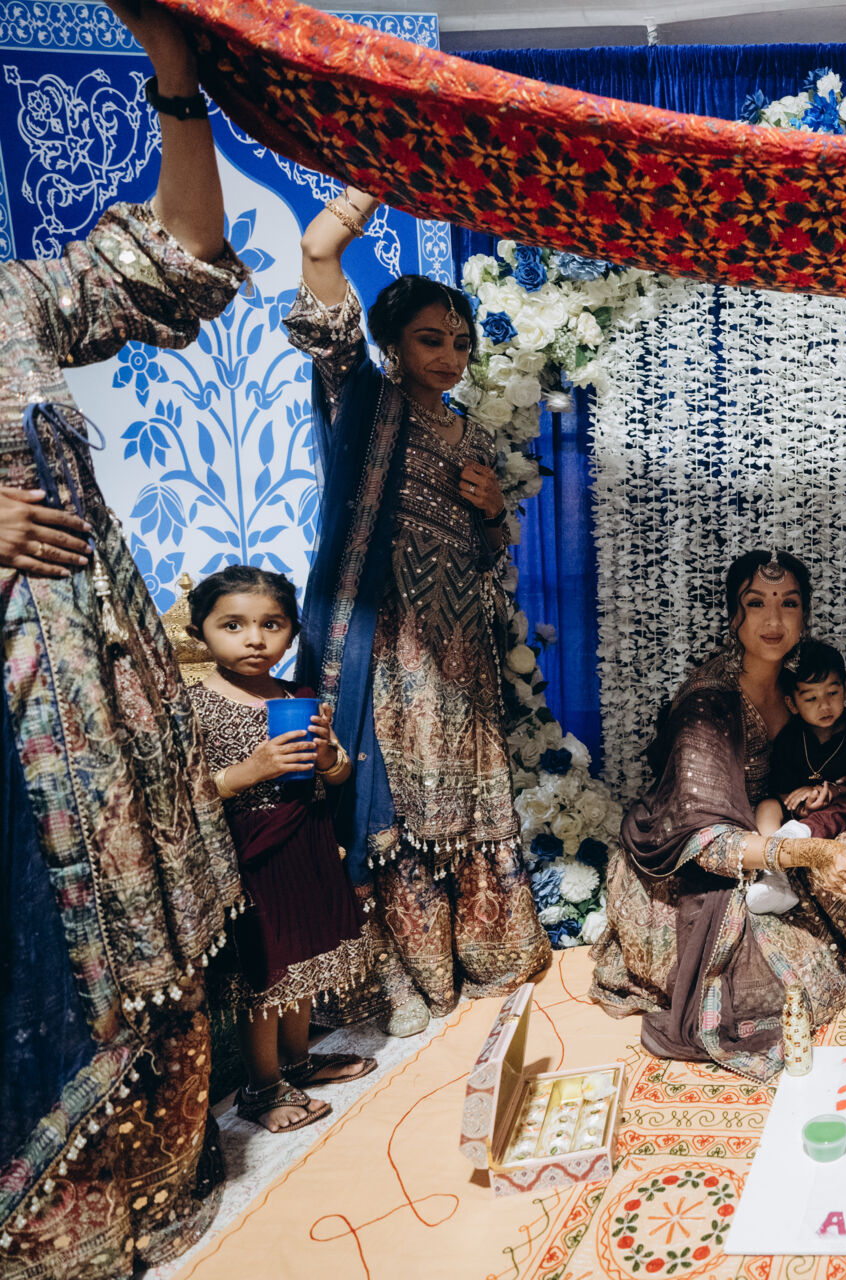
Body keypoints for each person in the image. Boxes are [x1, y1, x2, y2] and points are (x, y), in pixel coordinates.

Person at [0, 3, 249, 1272]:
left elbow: (185, 257)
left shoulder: (13, 300)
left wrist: (175, 77)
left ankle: (151, 1186)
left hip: (98, 678)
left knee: (146, 920)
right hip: (18, 723)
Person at [290, 187, 549, 1037]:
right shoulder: (362, 401)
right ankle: (403, 976)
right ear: (391, 343)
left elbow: (486, 560)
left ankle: (485, 950)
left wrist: (492, 515)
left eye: (461, 342)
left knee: (467, 798)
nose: (450, 356)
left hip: (461, 645)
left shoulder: (472, 435)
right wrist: (370, 181)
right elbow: (319, 256)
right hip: (387, 641)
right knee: (393, 802)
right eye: (431, 339)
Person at [590, 552, 846, 1080]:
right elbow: (702, 838)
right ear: (734, 614)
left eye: (789, 604)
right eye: (756, 603)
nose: (773, 621)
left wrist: (834, 798)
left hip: (775, 842)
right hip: (694, 863)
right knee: (780, 989)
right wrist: (808, 851)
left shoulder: (802, 686)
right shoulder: (708, 701)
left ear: (805, 614)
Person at [185, 567, 376, 1133]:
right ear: (199, 633)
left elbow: (339, 773)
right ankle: (261, 1086)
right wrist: (249, 771)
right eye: (233, 625)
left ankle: (297, 1061)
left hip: (306, 838)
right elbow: (180, 795)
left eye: (272, 624)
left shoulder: (298, 696)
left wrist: (328, 759)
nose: (254, 639)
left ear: (292, 632)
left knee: (303, 956)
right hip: (250, 851)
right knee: (264, 970)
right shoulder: (191, 706)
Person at [756, 638, 846, 840]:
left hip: (834, 810)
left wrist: (832, 791)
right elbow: (781, 788)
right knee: (767, 805)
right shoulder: (790, 738)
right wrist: (802, 807)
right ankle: (771, 846)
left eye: (832, 693)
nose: (824, 705)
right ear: (792, 704)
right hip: (798, 810)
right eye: (811, 699)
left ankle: (802, 834)